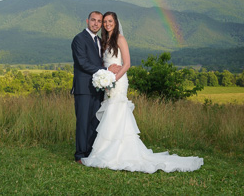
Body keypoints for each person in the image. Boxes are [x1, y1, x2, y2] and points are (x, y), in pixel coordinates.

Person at [81, 11, 204, 173]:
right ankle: (107, 150)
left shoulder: (120, 39)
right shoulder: (105, 40)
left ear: (116, 22)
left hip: (118, 81)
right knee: (110, 112)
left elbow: (127, 64)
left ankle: (119, 152)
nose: (106, 24)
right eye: (105, 22)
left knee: (117, 111)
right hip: (108, 81)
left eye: (109, 21)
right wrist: (106, 78)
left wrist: (113, 79)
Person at [71, 11, 121, 164]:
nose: (96, 24)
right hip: (83, 88)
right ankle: (80, 155)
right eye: (93, 20)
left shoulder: (100, 40)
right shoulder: (79, 39)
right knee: (83, 122)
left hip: (98, 88)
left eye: (99, 21)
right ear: (87, 21)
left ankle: (90, 152)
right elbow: (82, 63)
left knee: (95, 122)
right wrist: (106, 71)